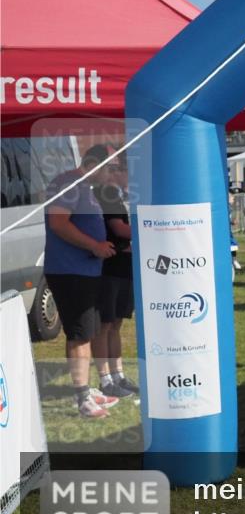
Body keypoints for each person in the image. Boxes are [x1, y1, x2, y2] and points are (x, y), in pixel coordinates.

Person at [44, 144, 121, 418]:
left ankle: (88, 392)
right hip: (70, 273)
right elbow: (59, 223)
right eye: (110, 168)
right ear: (93, 163)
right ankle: (83, 398)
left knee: (87, 332)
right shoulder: (67, 183)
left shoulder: (84, 187)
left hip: (86, 273)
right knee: (79, 334)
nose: (112, 175)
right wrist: (94, 246)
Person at [92, 156, 140, 400]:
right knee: (105, 324)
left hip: (123, 266)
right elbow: (120, 228)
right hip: (109, 267)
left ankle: (118, 375)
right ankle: (105, 379)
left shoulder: (120, 194)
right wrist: (150, 225)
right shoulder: (107, 192)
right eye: (126, 171)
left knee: (117, 323)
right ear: (117, 170)